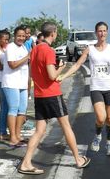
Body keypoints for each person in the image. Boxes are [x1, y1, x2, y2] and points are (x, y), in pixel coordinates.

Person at [18, 22, 90, 175]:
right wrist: (61, 67)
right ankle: (78, 159)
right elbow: (52, 75)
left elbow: (34, 73)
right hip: (52, 94)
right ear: (53, 33)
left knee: (39, 131)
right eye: (56, 33)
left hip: (39, 95)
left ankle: (26, 162)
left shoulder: (35, 49)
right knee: (66, 126)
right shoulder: (49, 51)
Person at [57, 21, 110, 156]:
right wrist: (63, 76)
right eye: (100, 31)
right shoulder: (90, 49)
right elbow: (76, 65)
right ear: (96, 32)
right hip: (96, 87)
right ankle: (98, 136)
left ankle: (109, 143)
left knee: (109, 119)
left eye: (104, 31)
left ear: (107, 32)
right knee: (100, 117)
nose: (102, 33)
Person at [2, 25, 30, 147]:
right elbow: (12, 65)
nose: (21, 38)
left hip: (22, 83)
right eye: (19, 36)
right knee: (13, 108)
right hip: (11, 83)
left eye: (23, 36)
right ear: (14, 36)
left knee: (22, 109)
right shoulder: (10, 47)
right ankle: (12, 137)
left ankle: (18, 135)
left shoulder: (24, 47)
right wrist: (27, 56)